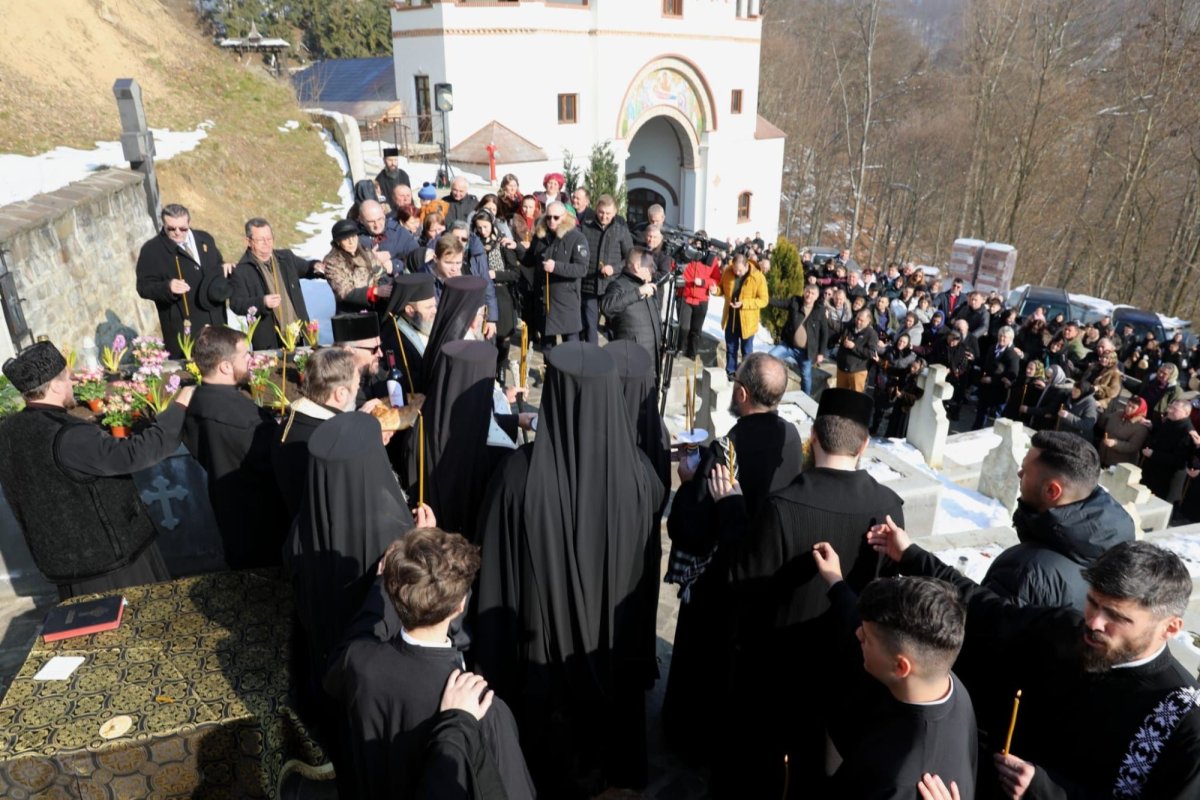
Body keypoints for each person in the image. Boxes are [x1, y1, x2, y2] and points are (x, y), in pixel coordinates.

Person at [868, 524, 1200, 800]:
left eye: (1116, 617)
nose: (1095, 623)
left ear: (1170, 628)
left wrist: (1045, 791)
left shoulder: (1182, 721)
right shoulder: (1068, 630)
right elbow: (987, 611)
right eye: (1092, 603)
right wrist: (911, 555)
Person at [474, 342, 665, 796]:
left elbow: (497, 576)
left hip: (543, 662)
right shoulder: (641, 473)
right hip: (615, 654)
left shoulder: (517, 476)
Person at [720, 388, 904, 795]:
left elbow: (744, 586)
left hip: (778, 676)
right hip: (850, 675)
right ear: (864, 445)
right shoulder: (889, 507)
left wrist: (731, 510)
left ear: (814, 438)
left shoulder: (782, 506)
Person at [662, 353, 804, 764]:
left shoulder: (725, 452)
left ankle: (691, 737)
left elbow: (689, 528)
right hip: (767, 573)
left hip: (721, 579)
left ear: (741, 393)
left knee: (704, 665)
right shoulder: (791, 438)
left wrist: (688, 485)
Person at [325, 529, 534, 800]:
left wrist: (383, 583)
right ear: (460, 606)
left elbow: (359, 635)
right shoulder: (482, 709)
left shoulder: (358, 662)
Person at [0, 341, 193, 599]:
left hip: (64, 567)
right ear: (55, 384)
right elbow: (134, 454)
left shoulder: (8, 431)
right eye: (67, 378)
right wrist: (179, 407)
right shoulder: (68, 435)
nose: (72, 384)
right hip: (112, 569)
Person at [811, 550, 978, 800]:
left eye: (866, 639)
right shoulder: (943, 682)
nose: (858, 636)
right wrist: (836, 583)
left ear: (901, 667)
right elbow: (881, 632)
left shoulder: (898, 781)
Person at [982, 431, 1135, 611]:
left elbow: (983, 629)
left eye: (1026, 470)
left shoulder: (1024, 572)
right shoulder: (1119, 538)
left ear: (1052, 491)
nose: (1019, 473)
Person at [181, 326, 286, 569]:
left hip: (229, 514)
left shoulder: (197, 401)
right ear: (225, 366)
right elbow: (275, 462)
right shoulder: (242, 417)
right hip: (264, 524)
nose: (252, 359)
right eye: (245, 355)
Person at [271, 347, 360, 517]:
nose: (357, 391)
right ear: (340, 394)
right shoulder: (332, 442)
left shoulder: (288, 422)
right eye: (357, 385)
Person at [135, 203, 231, 357]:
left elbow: (217, 264)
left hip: (216, 320)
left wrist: (225, 268)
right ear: (163, 224)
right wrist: (168, 287)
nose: (177, 233)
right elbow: (143, 287)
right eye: (171, 229)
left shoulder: (206, 239)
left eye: (183, 228)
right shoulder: (151, 250)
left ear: (189, 223)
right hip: (183, 326)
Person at [230, 218, 325, 350]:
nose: (266, 243)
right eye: (261, 239)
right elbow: (236, 304)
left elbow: (306, 267)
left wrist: (315, 266)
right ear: (248, 241)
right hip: (268, 340)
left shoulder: (286, 258)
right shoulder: (241, 270)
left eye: (269, 238)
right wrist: (262, 302)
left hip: (300, 335)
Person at [523, 201, 589, 345]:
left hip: (566, 300)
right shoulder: (540, 235)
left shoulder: (577, 237)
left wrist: (556, 267)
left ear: (564, 217)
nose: (551, 221)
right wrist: (515, 247)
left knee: (570, 346)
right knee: (548, 347)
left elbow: (582, 268)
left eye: (556, 218)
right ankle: (550, 369)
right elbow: (528, 260)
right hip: (545, 299)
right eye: (548, 217)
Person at [579, 195, 634, 344]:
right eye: (601, 212)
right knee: (590, 325)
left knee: (613, 326)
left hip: (612, 285)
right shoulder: (586, 227)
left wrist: (614, 268)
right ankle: (592, 358)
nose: (604, 216)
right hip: (589, 285)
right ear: (597, 209)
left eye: (608, 214)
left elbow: (630, 258)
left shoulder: (621, 230)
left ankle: (614, 354)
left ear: (615, 212)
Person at [600, 247, 663, 363]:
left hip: (652, 359)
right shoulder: (618, 285)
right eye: (650, 266)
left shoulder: (647, 285)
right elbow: (606, 307)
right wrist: (638, 292)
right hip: (631, 361)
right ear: (637, 266)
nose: (653, 270)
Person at [382, 273, 438, 397]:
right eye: (429, 307)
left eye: (434, 305)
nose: (435, 311)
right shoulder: (393, 337)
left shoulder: (425, 322)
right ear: (410, 310)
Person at [719, 253, 769, 380]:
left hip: (748, 321)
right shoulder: (728, 271)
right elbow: (722, 289)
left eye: (740, 270)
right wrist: (716, 291)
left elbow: (763, 300)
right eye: (735, 269)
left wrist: (744, 304)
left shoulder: (757, 277)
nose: (737, 272)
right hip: (731, 317)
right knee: (731, 348)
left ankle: (746, 375)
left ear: (747, 265)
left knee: (746, 350)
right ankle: (730, 372)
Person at [324, 218, 388, 314]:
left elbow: (381, 273)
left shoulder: (366, 252)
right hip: (351, 313)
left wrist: (383, 289)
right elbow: (344, 292)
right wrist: (373, 292)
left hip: (374, 305)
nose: (351, 242)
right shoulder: (332, 263)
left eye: (354, 237)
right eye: (346, 239)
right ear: (338, 242)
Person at [1140, 398, 1196, 500]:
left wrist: (1153, 454)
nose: (1170, 410)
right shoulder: (1170, 421)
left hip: (1166, 481)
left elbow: (1179, 461)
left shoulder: (1187, 432)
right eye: (1170, 407)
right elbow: (1162, 436)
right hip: (1153, 473)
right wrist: (1152, 427)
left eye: (1175, 409)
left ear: (1186, 413)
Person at [677, 247, 722, 359]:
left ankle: (692, 354)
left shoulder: (711, 259)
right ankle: (680, 349)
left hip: (701, 300)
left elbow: (716, 279)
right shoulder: (688, 255)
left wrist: (703, 282)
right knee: (684, 327)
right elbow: (677, 269)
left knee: (696, 330)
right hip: (686, 297)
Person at [972, 325, 1019, 429]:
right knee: (981, 413)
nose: (1002, 338)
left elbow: (1012, 375)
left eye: (1005, 337)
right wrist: (975, 359)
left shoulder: (1012, 355)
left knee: (996, 419)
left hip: (999, 391)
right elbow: (986, 363)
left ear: (1010, 339)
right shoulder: (993, 348)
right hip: (986, 388)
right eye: (1000, 336)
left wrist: (992, 380)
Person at [836, 308, 879, 392]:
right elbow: (837, 326)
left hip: (857, 371)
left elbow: (871, 353)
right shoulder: (849, 326)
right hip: (842, 368)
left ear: (868, 321)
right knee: (839, 395)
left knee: (855, 398)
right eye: (857, 318)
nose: (858, 322)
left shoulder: (872, 334)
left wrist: (854, 347)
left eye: (861, 320)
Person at [1099, 397, 1151, 467]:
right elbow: (1105, 423)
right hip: (1103, 455)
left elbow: (1133, 446)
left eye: (1133, 407)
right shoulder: (1118, 414)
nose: (1129, 409)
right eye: (1128, 405)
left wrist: (1115, 443)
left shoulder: (1141, 427)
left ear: (1139, 410)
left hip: (1120, 463)